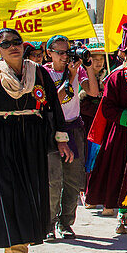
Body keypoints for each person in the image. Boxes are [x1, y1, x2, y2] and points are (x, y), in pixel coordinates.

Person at [0, 28, 73, 253]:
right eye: (6, 44)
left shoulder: (37, 72)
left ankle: (23, 248)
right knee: (7, 193)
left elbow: (54, 108)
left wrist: (61, 139)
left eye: (16, 42)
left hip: (33, 140)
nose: (13, 47)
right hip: (2, 141)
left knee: (30, 192)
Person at [85, 22, 127, 233]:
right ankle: (123, 215)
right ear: (123, 54)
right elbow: (107, 108)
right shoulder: (115, 78)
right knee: (122, 173)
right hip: (123, 133)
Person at [43, 35, 89, 241]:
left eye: (67, 52)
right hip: (51, 130)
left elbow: (94, 91)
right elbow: (54, 100)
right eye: (59, 52)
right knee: (53, 180)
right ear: (49, 53)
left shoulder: (76, 70)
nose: (64, 56)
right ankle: (49, 223)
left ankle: (66, 222)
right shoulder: (43, 73)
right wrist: (70, 77)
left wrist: (84, 68)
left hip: (74, 128)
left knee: (72, 179)